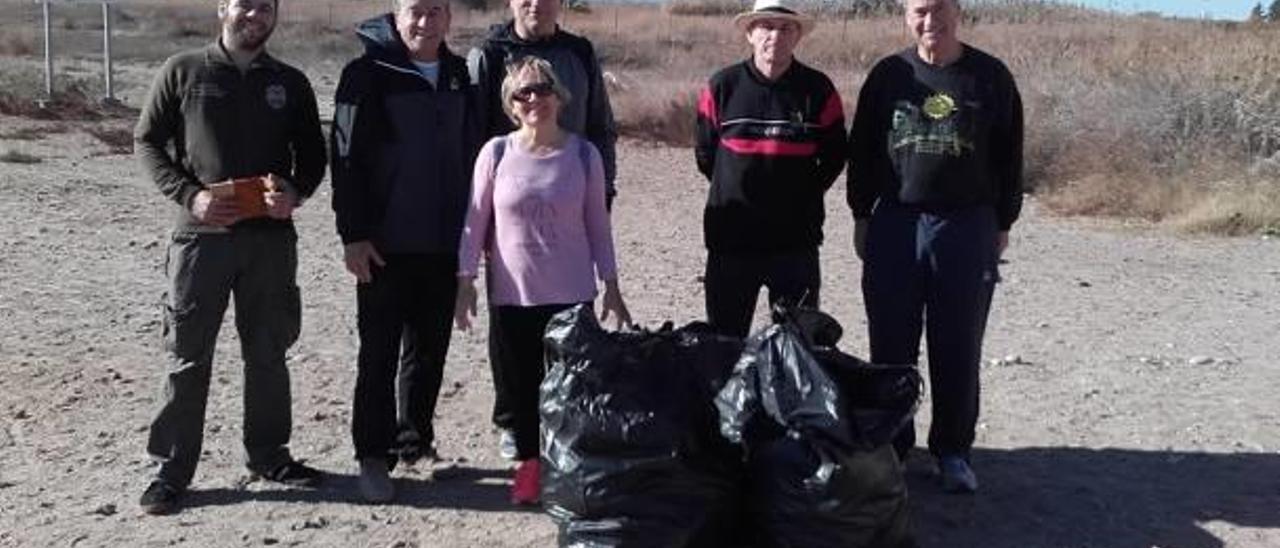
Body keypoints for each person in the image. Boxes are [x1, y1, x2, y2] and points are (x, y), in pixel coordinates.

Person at [133, 0, 327, 515]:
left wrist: (293, 192)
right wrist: (190, 195)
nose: (256, 15)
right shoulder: (185, 71)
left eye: (267, 7)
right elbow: (147, 142)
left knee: (268, 351)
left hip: (269, 243)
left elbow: (312, 156)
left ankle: (269, 455)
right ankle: (170, 471)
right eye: (246, 4)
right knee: (187, 355)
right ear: (223, 8)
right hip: (202, 241)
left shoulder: (290, 82)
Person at [847, 0, 1023, 494]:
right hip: (897, 222)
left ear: (958, 11)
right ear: (906, 14)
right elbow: (862, 150)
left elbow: (1011, 155)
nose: (930, 22)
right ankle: (893, 448)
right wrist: (862, 213)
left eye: (939, 9)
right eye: (920, 11)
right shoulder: (888, 75)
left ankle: (953, 451)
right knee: (890, 345)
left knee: (959, 342)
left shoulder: (989, 77)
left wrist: (1003, 220)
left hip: (966, 225)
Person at [454, 56, 630, 505]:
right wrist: (465, 280)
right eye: (523, 93)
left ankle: (570, 470)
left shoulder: (584, 155)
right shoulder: (495, 153)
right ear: (511, 105)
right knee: (521, 389)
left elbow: (598, 225)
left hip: (571, 294)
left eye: (543, 90)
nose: (535, 99)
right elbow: (475, 223)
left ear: (559, 97)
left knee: (573, 388)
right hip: (513, 295)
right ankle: (530, 469)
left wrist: (610, 284)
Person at [329, 0, 479, 503]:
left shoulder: (460, 75)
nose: (424, 21)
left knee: (429, 350)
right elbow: (344, 156)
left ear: (448, 19)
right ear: (396, 15)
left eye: (435, 11)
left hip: (442, 242)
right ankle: (373, 456)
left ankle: (415, 442)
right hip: (383, 243)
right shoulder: (365, 74)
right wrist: (352, 233)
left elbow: (474, 156)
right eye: (415, 10)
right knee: (378, 353)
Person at [466, 0, 619, 459]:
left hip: (567, 193)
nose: (536, 3)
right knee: (511, 331)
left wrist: (601, 190)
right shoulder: (490, 52)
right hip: (508, 208)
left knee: (570, 343)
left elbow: (600, 125)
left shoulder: (579, 51)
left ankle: (566, 428)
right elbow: (471, 129)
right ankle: (513, 421)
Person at [694, 0, 847, 339]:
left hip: (795, 244)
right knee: (724, 345)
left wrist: (800, 193)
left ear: (798, 36)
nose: (775, 35)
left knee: (796, 349)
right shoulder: (722, 86)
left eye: (786, 27)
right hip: (731, 241)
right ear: (750, 33)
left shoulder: (818, 89)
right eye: (765, 26)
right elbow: (706, 155)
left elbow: (835, 156)